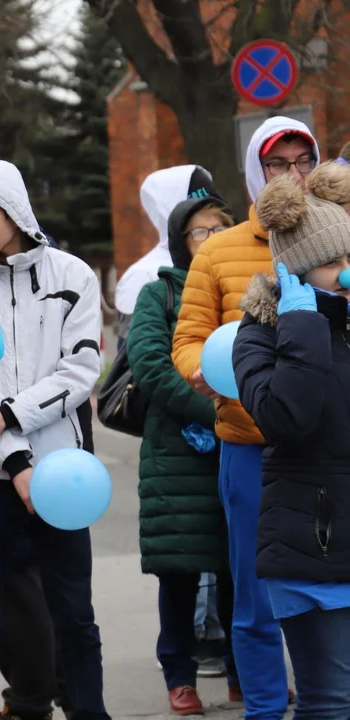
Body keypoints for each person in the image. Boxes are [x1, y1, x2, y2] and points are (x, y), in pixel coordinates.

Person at [0, 160, 106, 720]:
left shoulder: (74, 276)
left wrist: (9, 415)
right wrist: (15, 462)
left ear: (15, 211)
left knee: (75, 617)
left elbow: (80, 373)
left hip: (63, 477)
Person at [172, 116, 318, 718]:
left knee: (326, 590)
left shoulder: (338, 240)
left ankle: (323, 701)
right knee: (254, 594)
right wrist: (200, 372)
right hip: (247, 444)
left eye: (302, 161)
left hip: (324, 448)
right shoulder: (221, 250)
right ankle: (262, 707)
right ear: (256, 173)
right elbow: (187, 340)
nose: (292, 175)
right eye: (278, 164)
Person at [235, 165, 350, 719]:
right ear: (298, 271)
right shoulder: (260, 332)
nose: (347, 272)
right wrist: (302, 327)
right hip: (313, 543)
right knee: (329, 704)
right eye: (333, 263)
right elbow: (286, 417)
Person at [127, 197, 238, 715]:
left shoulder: (245, 285)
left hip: (241, 443)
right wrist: (211, 411)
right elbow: (150, 364)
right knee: (180, 572)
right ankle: (179, 674)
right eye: (200, 232)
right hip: (178, 454)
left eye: (222, 228)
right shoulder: (160, 294)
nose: (213, 238)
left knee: (241, 570)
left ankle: (245, 672)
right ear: (179, 241)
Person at [114, 166, 222, 351]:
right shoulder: (143, 275)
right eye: (199, 210)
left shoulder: (230, 260)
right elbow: (139, 357)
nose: (209, 218)